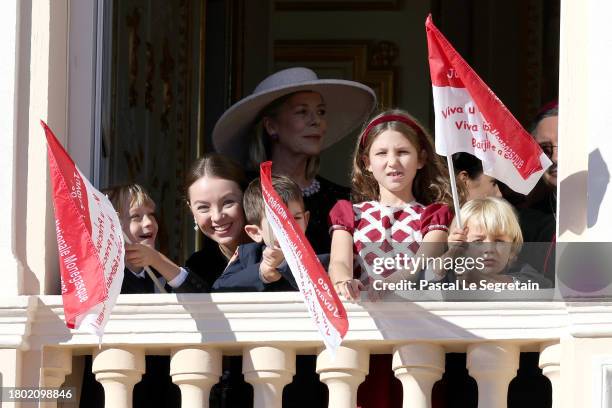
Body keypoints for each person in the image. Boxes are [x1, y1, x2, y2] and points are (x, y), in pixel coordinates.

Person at [212, 67, 377, 254]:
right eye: (302, 112)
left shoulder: (342, 199)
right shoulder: (241, 192)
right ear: (271, 126)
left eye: (321, 112)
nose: (316, 121)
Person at [328, 109, 454, 302]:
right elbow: (339, 262)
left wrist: (388, 283)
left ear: (421, 159)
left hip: (415, 318)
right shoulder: (349, 214)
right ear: (367, 162)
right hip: (365, 319)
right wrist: (344, 282)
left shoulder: (433, 216)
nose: (392, 162)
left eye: (402, 152)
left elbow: (420, 264)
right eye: (381, 153)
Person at [212, 175, 311, 292]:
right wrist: (262, 272)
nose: (290, 227)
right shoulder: (248, 255)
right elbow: (219, 288)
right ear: (255, 232)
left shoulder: (315, 254)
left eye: (296, 218)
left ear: (306, 220)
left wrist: (285, 266)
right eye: (277, 221)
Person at [103, 183, 202, 293]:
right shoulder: (105, 279)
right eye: (135, 216)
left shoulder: (160, 272)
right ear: (113, 225)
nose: (149, 222)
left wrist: (157, 260)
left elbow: (200, 298)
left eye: (151, 214)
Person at [446, 197, 552, 288]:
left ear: (512, 247)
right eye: (478, 241)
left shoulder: (523, 272)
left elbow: (541, 286)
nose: (489, 249)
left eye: (499, 241)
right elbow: (431, 280)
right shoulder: (451, 274)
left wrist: (484, 281)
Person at [183, 153, 252, 292]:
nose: (217, 217)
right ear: (191, 210)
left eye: (228, 202)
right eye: (203, 207)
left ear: (245, 198)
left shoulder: (275, 254)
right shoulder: (197, 267)